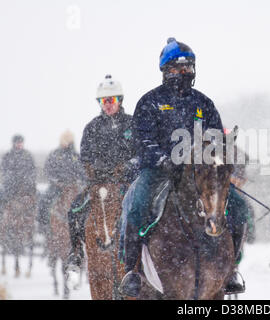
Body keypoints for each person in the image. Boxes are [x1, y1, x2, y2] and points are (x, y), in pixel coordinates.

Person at [118, 38, 248, 297]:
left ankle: (231, 269)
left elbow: (217, 142)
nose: (184, 72)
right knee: (136, 203)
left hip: (200, 174)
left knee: (239, 205)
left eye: (188, 67)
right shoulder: (149, 102)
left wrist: (212, 162)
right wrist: (166, 161)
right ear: (166, 71)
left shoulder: (204, 103)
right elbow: (143, 141)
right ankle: (131, 270)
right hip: (158, 172)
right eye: (178, 68)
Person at [65, 75, 137, 272]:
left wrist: (127, 167)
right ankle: (76, 253)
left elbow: (140, 155)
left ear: (120, 100)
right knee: (74, 210)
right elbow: (85, 157)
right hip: (99, 184)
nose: (107, 105)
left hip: (128, 183)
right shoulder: (92, 127)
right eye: (103, 101)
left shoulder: (132, 124)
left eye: (110, 100)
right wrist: (91, 169)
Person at [37, 131, 86, 240]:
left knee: (85, 201)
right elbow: (48, 170)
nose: (67, 143)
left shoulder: (76, 156)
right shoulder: (55, 154)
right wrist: (57, 181)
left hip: (73, 187)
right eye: (65, 140)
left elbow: (82, 172)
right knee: (45, 200)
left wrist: (78, 181)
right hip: (57, 186)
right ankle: (43, 225)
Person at [0, 135, 37, 212]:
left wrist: (29, 178)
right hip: (11, 184)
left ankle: (36, 215)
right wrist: (12, 178)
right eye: (17, 142)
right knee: (3, 197)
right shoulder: (8, 155)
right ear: (14, 143)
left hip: (26, 183)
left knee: (37, 196)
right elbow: (4, 170)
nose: (19, 144)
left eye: (21, 142)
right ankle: (2, 214)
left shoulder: (28, 155)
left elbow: (33, 169)